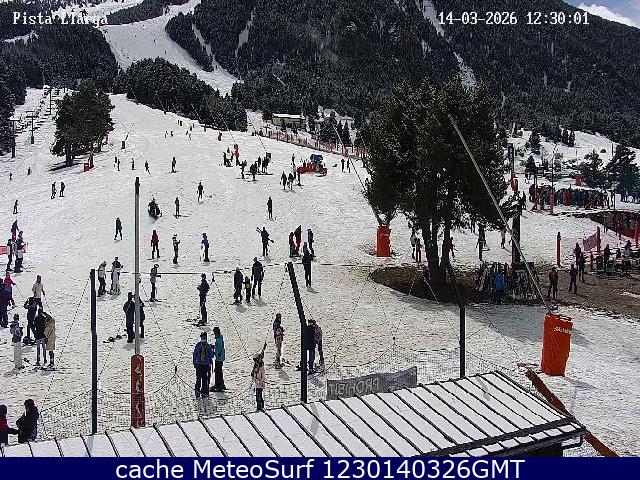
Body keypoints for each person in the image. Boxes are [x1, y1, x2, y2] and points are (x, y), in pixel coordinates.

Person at [193, 332, 214, 397]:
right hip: (203, 365)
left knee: (201, 379)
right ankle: (202, 392)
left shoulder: (200, 345)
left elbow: (194, 355)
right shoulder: (206, 346)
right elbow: (212, 355)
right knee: (202, 379)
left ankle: (199, 392)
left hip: (201, 365)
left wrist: (194, 363)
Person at [211, 327, 226, 391]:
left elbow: (218, 350)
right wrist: (214, 346)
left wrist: (213, 353)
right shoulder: (220, 338)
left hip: (219, 358)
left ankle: (218, 385)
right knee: (219, 371)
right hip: (220, 357)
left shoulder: (218, 340)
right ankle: (221, 384)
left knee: (218, 371)